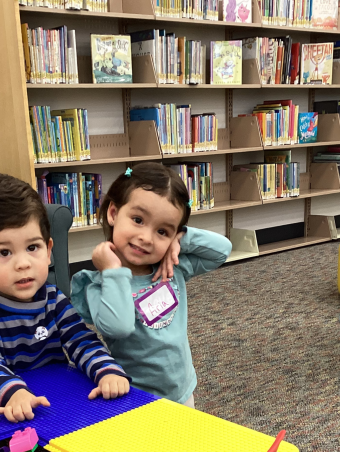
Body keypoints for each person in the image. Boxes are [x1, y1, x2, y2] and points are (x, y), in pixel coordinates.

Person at [0, 172, 130, 423]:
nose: (23, 263)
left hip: (54, 400)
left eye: (32, 248)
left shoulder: (52, 297)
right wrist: (14, 393)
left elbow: (81, 341)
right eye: (4, 252)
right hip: (5, 407)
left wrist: (107, 371)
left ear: (48, 251)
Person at [71, 163, 232, 408]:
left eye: (162, 231)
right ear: (113, 213)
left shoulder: (171, 268)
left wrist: (181, 239)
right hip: (135, 396)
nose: (146, 238)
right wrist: (113, 272)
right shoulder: (97, 285)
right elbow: (119, 328)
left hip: (181, 389)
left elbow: (222, 251)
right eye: (137, 220)